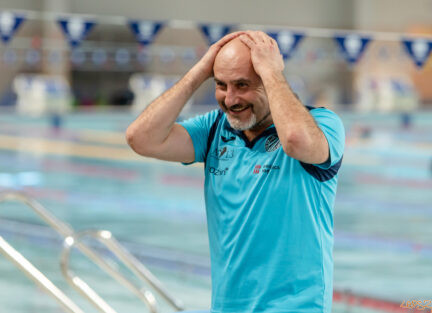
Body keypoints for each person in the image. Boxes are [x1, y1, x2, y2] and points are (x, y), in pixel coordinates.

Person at [126, 31, 345, 313]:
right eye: (221, 85)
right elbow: (140, 138)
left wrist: (271, 71)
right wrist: (199, 72)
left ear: (270, 81)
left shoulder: (323, 124)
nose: (230, 99)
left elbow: (295, 140)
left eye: (242, 85)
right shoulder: (215, 128)